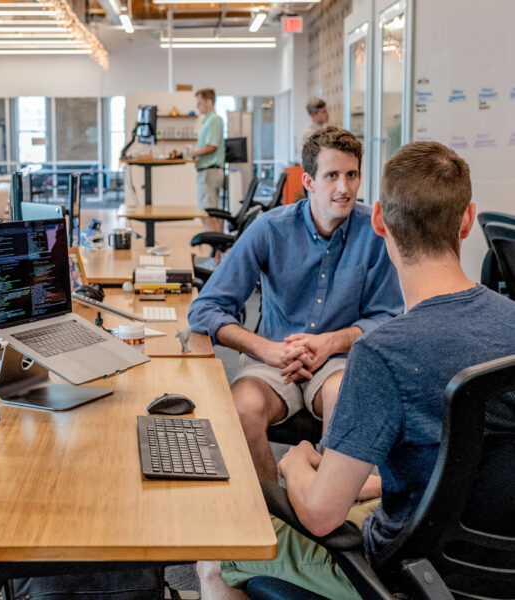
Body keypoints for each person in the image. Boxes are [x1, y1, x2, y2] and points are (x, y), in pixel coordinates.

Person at [197, 141, 515, 600]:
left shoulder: (382, 354)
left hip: (401, 570)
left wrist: (296, 464)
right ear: (468, 220)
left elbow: (320, 516)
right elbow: (472, 462)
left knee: (214, 555)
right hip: (495, 571)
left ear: (380, 221)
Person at [188, 126, 404, 483]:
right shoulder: (270, 229)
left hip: (339, 361)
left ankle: (326, 504)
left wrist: (331, 342)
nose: (344, 188)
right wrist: (265, 349)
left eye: (351, 175)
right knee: (241, 409)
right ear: (309, 181)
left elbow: (388, 317)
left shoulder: (375, 232)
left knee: (345, 401)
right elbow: (204, 309)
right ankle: (271, 507)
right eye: (332, 176)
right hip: (273, 359)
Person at [190, 88, 225, 233]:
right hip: (207, 172)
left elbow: (212, 146)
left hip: (210, 172)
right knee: (209, 213)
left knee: (208, 214)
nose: (197, 106)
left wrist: (193, 153)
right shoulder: (208, 121)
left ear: (209, 102)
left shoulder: (214, 120)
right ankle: (217, 246)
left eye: (199, 103)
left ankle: (215, 246)